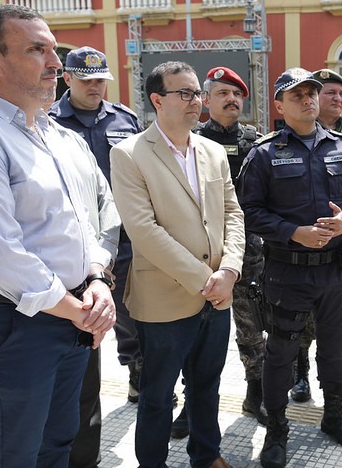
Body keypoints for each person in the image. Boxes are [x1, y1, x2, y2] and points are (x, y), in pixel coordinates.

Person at [0, 3, 116, 467]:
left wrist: (98, 278)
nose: (56, 63)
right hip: (14, 323)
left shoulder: (60, 136)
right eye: (37, 50)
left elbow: (102, 212)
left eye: (53, 49)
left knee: (58, 445)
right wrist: (78, 310)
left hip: (73, 313)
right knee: (12, 456)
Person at [110, 61, 244, 468]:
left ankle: (206, 454)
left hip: (218, 295)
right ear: (157, 100)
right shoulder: (129, 154)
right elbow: (144, 231)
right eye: (184, 93)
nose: (196, 101)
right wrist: (207, 279)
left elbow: (232, 212)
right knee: (157, 393)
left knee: (207, 385)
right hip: (166, 298)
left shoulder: (213, 151)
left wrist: (231, 270)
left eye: (196, 93)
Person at [238, 68, 342, 467]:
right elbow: (248, 212)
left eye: (312, 92)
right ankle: (277, 428)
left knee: (335, 349)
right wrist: (294, 232)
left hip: (338, 272)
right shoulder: (263, 153)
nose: (308, 99)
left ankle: (333, 416)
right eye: (297, 95)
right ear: (279, 105)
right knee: (280, 353)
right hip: (288, 272)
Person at [48, 45, 144, 466]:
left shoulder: (125, 120)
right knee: (88, 324)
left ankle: (137, 373)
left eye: (100, 79)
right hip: (76, 249)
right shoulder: (48, 122)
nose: (94, 87)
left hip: (126, 240)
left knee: (134, 313)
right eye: (85, 80)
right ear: (65, 79)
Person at [169, 66, 268, 439]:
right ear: (205, 100)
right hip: (201, 253)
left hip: (249, 254)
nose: (232, 100)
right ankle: (192, 405)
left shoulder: (255, 142)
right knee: (194, 330)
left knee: (252, 327)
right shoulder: (187, 142)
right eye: (223, 93)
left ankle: (254, 393)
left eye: (237, 94)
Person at [283, 68, 342, 404]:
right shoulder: (291, 136)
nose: (337, 98)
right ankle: (300, 373)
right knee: (303, 315)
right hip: (303, 245)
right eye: (329, 93)